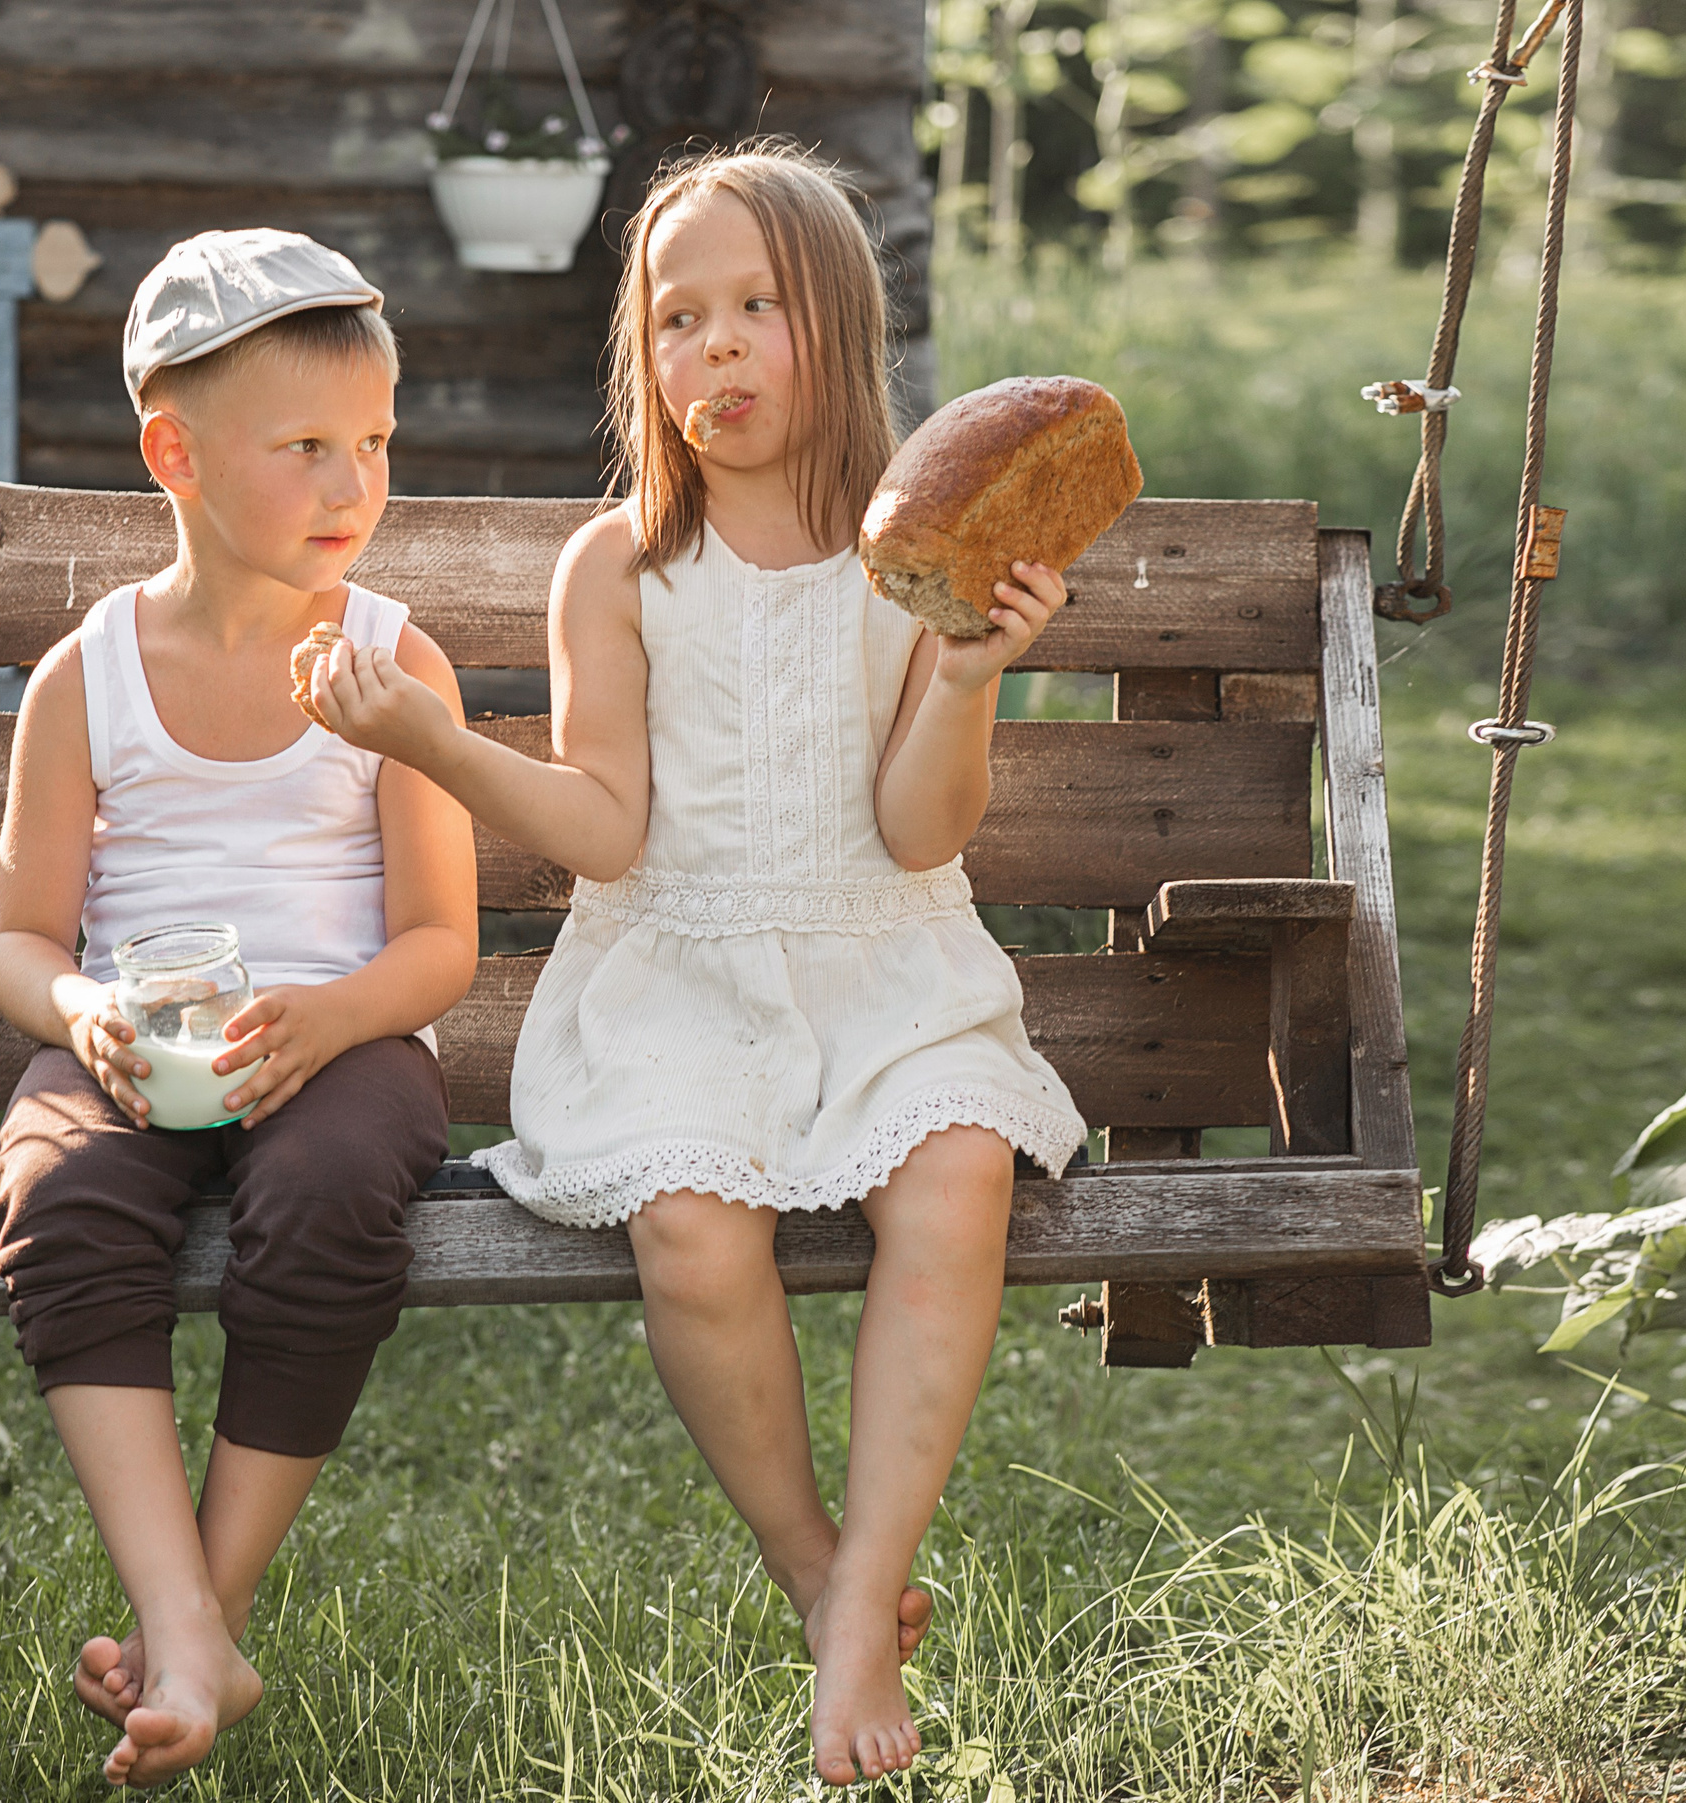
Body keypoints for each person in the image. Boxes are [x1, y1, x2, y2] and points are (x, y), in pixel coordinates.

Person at [306, 145, 1088, 1786]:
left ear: (844, 330)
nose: (713, 348)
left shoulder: (913, 556)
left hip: (887, 966)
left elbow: (920, 834)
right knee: (690, 1227)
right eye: (678, 319)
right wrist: (434, 742)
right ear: (640, 356)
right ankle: (820, 1572)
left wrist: (965, 678)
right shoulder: (623, 567)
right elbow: (600, 831)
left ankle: (865, 1588)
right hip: (674, 973)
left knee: (958, 1179)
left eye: (755, 309)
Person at [0, 228, 477, 1790]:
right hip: (139, 1049)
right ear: (176, 453)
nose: (354, 486)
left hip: (346, 1045)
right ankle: (182, 1616)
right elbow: (11, 938)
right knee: (60, 1201)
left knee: (331, 1198)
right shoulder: (86, 679)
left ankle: (206, 1614)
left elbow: (443, 944)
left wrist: (336, 1021)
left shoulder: (395, 666)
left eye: (377, 445)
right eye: (309, 447)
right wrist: (80, 1014)